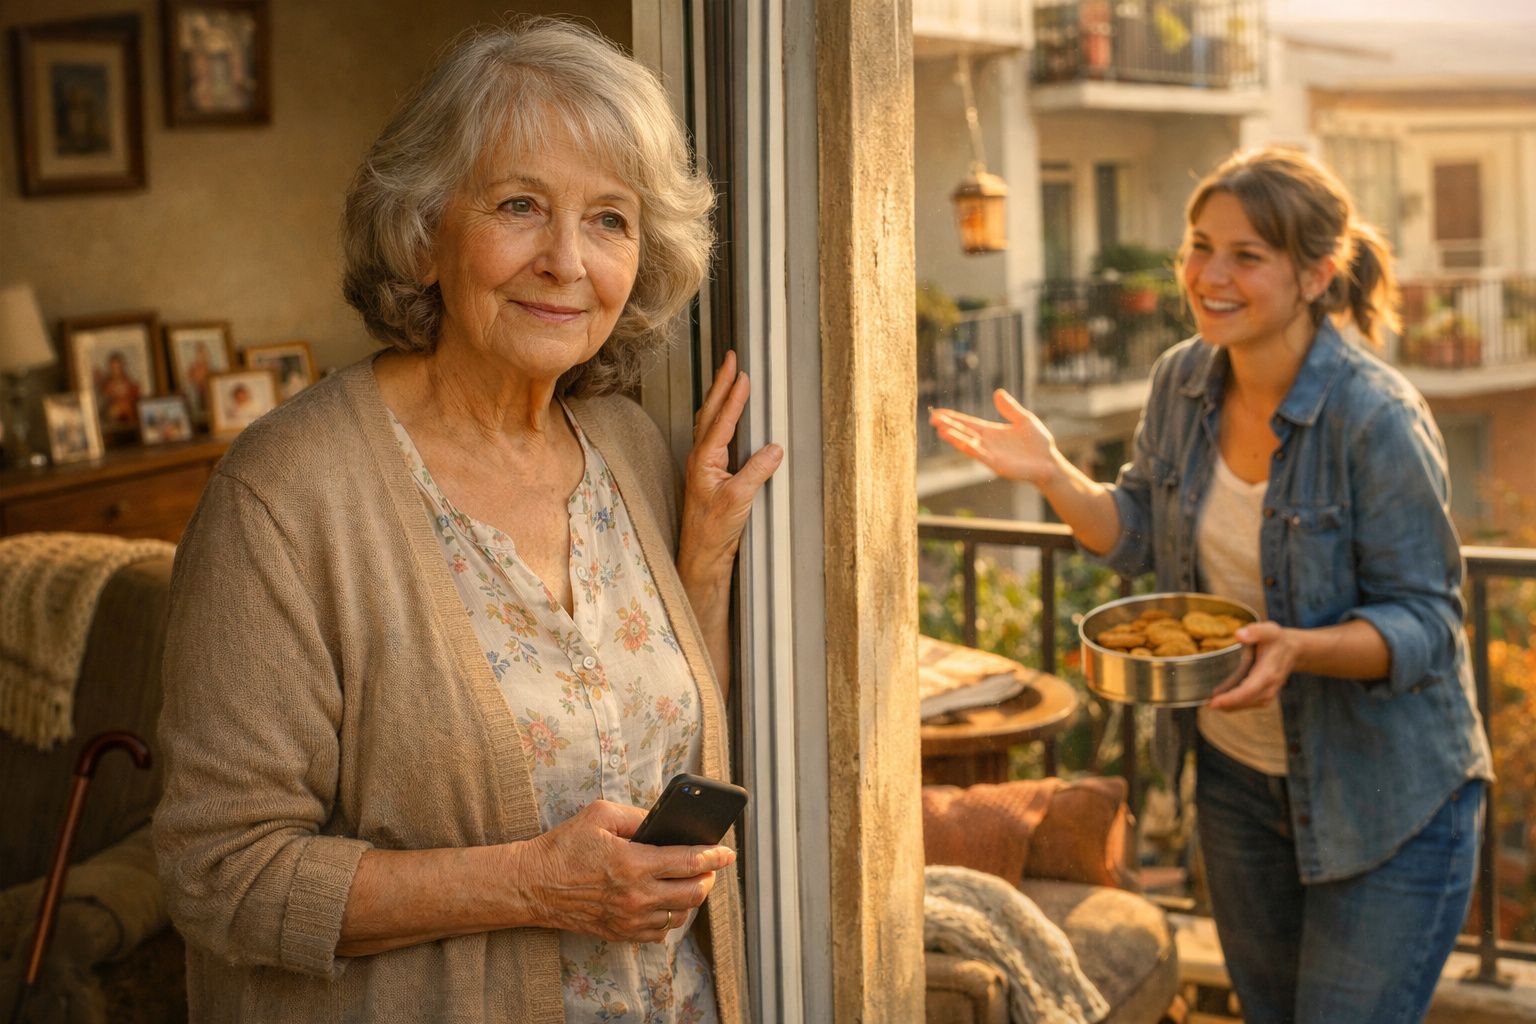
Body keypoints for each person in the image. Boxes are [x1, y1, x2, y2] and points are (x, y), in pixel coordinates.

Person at [154, 19, 781, 1023]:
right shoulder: (286, 490)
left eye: (611, 219)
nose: (566, 260)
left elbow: (661, 753)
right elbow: (217, 871)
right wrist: (531, 883)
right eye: (520, 205)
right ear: (424, 227)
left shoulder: (627, 447)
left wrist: (701, 565)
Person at [931, 146, 1492, 1023]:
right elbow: (1139, 533)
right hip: (1236, 783)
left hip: (1386, 802)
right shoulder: (1181, 378)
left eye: (1246, 255)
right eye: (1199, 246)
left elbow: (1427, 625)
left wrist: (1300, 648)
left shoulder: (1373, 417)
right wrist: (1050, 474)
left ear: (1318, 273)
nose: (1209, 275)